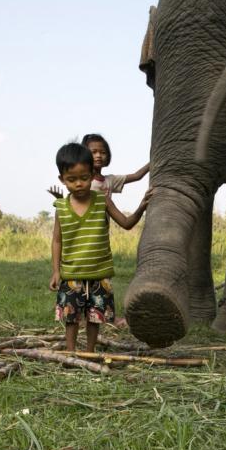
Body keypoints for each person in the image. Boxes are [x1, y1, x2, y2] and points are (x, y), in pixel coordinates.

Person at [48, 142, 152, 352]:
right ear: (62, 179)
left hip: (99, 274)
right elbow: (57, 240)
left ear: (92, 174)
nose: (79, 184)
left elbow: (127, 223)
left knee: (95, 317)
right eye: (72, 179)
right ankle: (70, 352)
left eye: (84, 178)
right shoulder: (61, 207)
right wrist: (56, 271)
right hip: (71, 274)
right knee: (71, 316)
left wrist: (142, 206)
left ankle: (90, 352)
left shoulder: (102, 201)